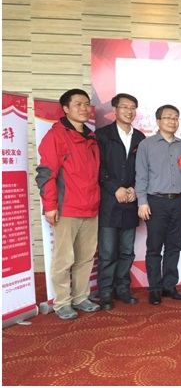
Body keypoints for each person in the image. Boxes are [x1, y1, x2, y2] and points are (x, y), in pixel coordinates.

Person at [36, 88, 101, 320]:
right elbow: (46, 174)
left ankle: (81, 297)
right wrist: (50, 206)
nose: (84, 108)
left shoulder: (91, 137)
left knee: (86, 257)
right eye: (78, 104)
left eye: (86, 104)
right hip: (67, 209)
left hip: (91, 207)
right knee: (64, 258)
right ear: (65, 109)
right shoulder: (57, 136)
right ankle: (62, 302)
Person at [135, 104, 181, 305]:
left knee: (174, 246)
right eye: (168, 117)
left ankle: (169, 286)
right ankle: (154, 288)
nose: (172, 121)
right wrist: (142, 202)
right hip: (156, 202)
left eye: (175, 118)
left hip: (178, 201)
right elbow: (141, 175)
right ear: (158, 121)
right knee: (154, 247)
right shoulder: (146, 145)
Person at [95, 93, 146, 310]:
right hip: (109, 201)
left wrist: (135, 188)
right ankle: (105, 291)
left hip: (131, 202)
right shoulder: (102, 135)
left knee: (127, 250)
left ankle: (122, 288)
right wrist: (114, 187)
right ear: (114, 110)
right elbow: (98, 167)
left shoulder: (140, 138)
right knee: (107, 252)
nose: (129, 111)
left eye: (133, 107)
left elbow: (144, 169)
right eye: (124, 107)